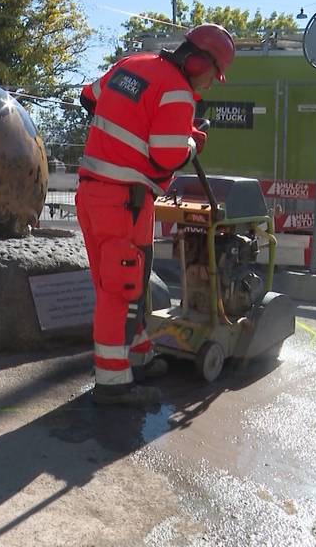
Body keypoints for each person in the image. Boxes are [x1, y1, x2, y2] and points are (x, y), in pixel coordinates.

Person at [76, 23, 235, 407]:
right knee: (123, 289)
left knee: (116, 282)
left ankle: (140, 355)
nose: (209, 85)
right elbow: (167, 156)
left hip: (92, 194)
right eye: (212, 76)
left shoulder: (131, 64)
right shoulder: (179, 92)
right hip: (124, 203)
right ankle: (113, 384)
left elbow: (89, 98)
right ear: (198, 62)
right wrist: (193, 142)